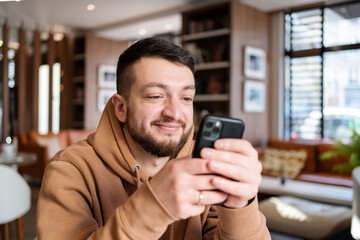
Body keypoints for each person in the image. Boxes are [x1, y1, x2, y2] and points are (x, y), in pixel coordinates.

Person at [37, 37, 270, 239]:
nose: (175, 113)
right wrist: (153, 206)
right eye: (156, 95)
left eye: (186, 98)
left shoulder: (200, 165)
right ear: (121, 108)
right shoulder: (69, 170)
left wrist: (240, 207)